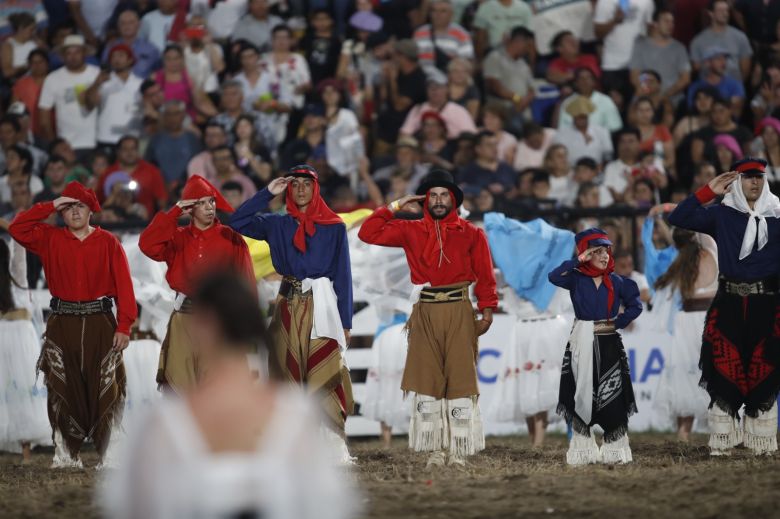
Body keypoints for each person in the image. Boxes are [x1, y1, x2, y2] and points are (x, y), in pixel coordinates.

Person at [99, 272, 360, 519]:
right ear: (251, 325)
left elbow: (134, 508)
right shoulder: (297, 418)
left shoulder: (158, 426)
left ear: (200, 327)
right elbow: (326, 509)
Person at [358, 169, 498, 467]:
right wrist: (396, 206)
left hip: (460, 307)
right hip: (425, 310)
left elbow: (486, 277)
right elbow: (366, 232)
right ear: (424, 200)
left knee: (460, 379)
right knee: (427, 379)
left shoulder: (473, 233)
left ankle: (459, 450)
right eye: (432, 195)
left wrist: (487, 312)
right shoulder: (411, 230)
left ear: (453, 199)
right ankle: (435, 450)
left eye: (443, 195)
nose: (437, 200)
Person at [229, 165, 355, 463]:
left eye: (306, 184)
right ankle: (295, 446)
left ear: (316, 188)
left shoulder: (334, 226)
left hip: (321, 307)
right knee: (287, 374)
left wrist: (346, 321)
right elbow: (237, 221)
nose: (300, 189)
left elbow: (343, 276)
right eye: (294, 184)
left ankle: (334, 444)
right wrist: (266, 193)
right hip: (287, 304)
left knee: (324, 370)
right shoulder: (277, 224)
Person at [9, 181, 137, 468]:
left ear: (91, 210)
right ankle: (65, 453)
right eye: (67, 207)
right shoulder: (49, 237)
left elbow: (124, 287)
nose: (74, 211)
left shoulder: (108, 242)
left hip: (100, 321)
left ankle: (111, 453)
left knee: (107, 385)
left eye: (80, 205)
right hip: (62, 322)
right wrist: (51, 204)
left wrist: (124, 325)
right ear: (60, 213)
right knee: (60, 387)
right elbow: (17, 228)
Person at [668, 158, 780, 456]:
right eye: (747, 177)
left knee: (764, 369)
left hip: (767, 303)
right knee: (722, 367)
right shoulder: (722, 213)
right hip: (728, 301)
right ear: (736, 181)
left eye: (759, 176)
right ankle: (722, 441)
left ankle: (761, 443)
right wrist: (709, 190)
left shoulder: (778, 215)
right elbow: (679, 217)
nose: (754, 182)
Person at [139, 175, 254, 395]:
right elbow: (147, 244)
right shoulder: (177, 238)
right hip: (184, 319)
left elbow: (245, 282)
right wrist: (173, 213)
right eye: (200, 203)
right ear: (190, 208)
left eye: (211, 201)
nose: (209, 207)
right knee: (179, 393)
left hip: (220, 321)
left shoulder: (230, 237)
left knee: (221, 390)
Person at [548, 228, 642, 465]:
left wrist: (617, 322)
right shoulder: (576, 279)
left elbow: (636, 305)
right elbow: (553, 276)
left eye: (606, 251)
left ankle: (615, 451)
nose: (604, 256)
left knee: (613, 394)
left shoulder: (618, 282)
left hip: (609, 342)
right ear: (585, 254)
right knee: (581, 392)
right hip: (581, 343)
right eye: (596, 251)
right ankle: (583, 452)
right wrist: (577, 260)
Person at [652, 228, 718, 442]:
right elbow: (703, 233)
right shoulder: (710, 251)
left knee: (684, 376)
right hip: (711, 318)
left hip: (686, 321)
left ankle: (683, 434)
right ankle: (722, 433)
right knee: (716, 374)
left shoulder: (679, 264)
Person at [0, 238, 49, 463]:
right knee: (24, 391)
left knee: (6, 388)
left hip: (3, 333)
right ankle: (26, 452)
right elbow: (20, 246)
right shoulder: (18, 278)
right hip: (21, 335)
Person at [38, 35, 100, 159]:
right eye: (68, 53)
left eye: (77, 52)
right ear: (63, 56)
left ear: (84, 53)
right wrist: (54, 144)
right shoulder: (53, 78)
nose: (73, 56)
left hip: (97, 142)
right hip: (67, 145)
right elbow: (44, 115)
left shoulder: (97, 74)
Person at [629, 9, 691, 107]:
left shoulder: (679, 48)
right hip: (646, 95)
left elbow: (685, 78)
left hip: (672, 97)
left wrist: (663, 96)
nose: (671, 25)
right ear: (655, 24)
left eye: (672, 22)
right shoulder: (641, 45)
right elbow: (635, 75)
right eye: (666, 21)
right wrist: (647, 90)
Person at [85, 44, 143, 147]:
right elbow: (89, 105)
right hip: (106, 137)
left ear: (130, 60)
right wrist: (96, 84)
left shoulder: (140, 83)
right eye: (113, 56)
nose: (117, 59)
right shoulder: (102, 82)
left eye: (121, 56)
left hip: (133, 138)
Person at [690, 0, 752, 82]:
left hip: (733, 89)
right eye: (721, 11)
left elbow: (745, 70)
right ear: (711, 13)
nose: (725, 14)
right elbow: (696, 68)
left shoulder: (740, 37)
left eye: (727, 10)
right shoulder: (698, 41)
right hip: (708, 90)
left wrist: (735, 86)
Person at [413, 0, 474, 74]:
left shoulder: (461, 34)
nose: (438, 15)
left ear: (451, 14)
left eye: (443, 11)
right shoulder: (420, 33)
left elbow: (466, 63)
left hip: (448, 80)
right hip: (422, 78)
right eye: (434, 11)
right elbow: (412, 60)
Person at [553, 96, 613, 167]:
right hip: (571, 172)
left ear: (587, 116)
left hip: (598, 172)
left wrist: (601, 168)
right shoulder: (561, 134)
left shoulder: (602, 131)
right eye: (578, 116)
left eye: (583, 116)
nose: (581, 119)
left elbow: (608, 155)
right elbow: (557, 156)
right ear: (573, 116)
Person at [102, 8, 160, 79]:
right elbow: (104, 70)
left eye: (131, 22)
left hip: (142, 87)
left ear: (139, 25)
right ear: (118, 26)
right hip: (115, 87)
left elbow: (159, 72)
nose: (127, 26)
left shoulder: (151, 49)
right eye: (123, 23)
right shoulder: (110, 47)